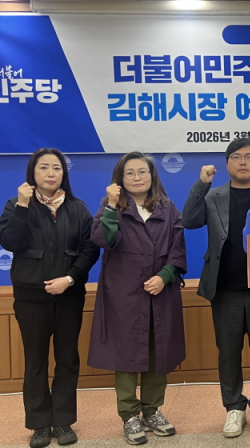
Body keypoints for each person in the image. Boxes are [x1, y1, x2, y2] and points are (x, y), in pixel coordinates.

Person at [0, 148, 100, 448]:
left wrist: (69, 279)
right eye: (43, 167)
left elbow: (90, 250)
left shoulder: (78, 208)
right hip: (31, 298)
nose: (50, 173)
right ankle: (40, 424)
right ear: (33, 172)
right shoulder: (15, 205)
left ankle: (63, 420)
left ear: (63, 173)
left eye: (56, 168)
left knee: (67, 359)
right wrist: (22, 206)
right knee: (35, 361)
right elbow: (10, 241)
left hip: (69, 297)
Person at [182, 138, 250, 438]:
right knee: (228, 353)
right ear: (227, 163)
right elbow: (189, 220)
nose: (242, 162)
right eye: (236, 157)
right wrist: (201, 184)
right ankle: (234, 408)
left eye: (249, 156)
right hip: (225, 289)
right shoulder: (214, 195)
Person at [87, 152, 187, 445]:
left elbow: (178, 250)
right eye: (129, 173)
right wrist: (110, 206)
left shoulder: (168, 209)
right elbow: (103, 240)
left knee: (159, 352)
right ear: (120, 179)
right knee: (127, 355)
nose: (137, 177)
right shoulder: (111, 207)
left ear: (152, 176)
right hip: (123, 295)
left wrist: (165, 276)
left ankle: (152, 410)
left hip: (160, 292)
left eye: (142, 172)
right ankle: (129, 415)